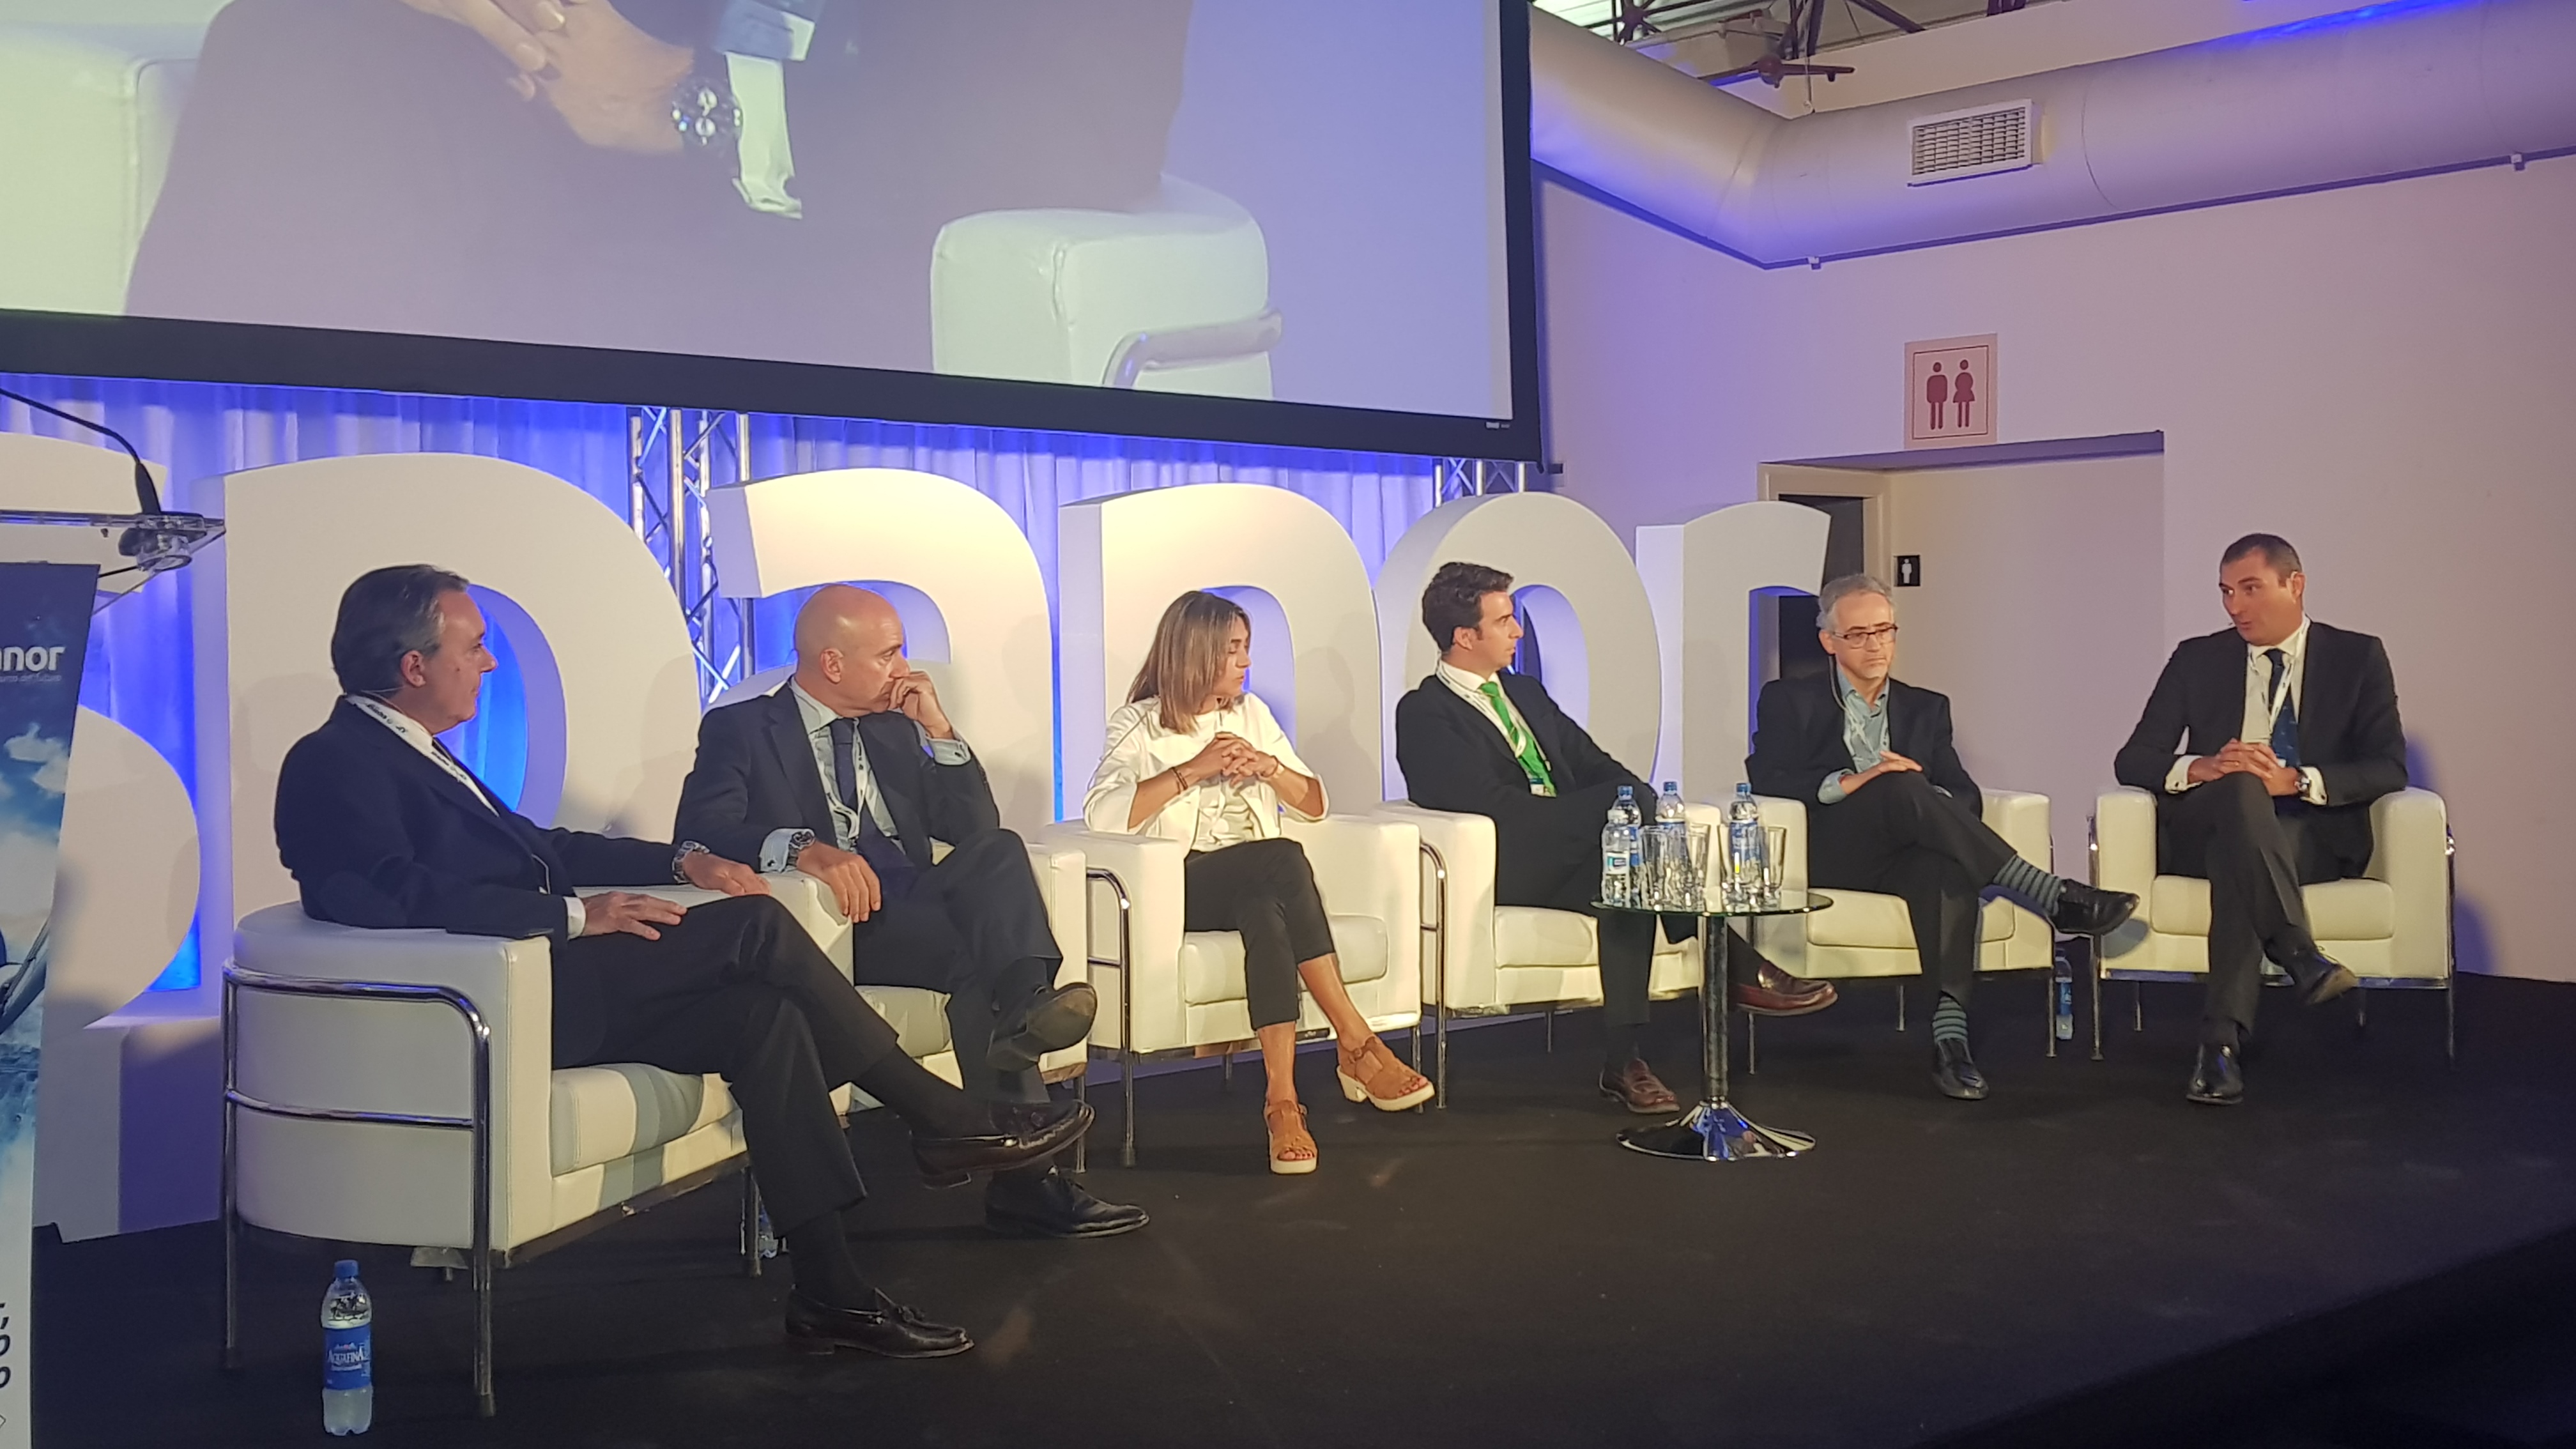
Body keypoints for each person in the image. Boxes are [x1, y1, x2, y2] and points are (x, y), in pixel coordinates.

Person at [273, 565, 1092, 1360]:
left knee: (764, 1021)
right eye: (474, 646)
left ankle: (831, 1294)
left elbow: (548, 847)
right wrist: (573, 915)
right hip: (510, 1000)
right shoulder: (332, 759)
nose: (489, 662)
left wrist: (680, 861)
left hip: (556, 982)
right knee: (756, 926)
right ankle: (939, 1116)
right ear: (414, 666)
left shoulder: (420, 752)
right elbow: (373, 893)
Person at [129, 0, 1193, 371]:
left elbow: (1080, 119)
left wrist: (694, 105)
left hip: (834, 222)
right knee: (297, 49)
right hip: (547, 127)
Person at [675, 585, 1146, 1238]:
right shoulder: (743, 728)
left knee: (1000, 852)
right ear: (832, 663)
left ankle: (1025, 1007)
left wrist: (941, 733)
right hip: (841, 923)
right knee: (980, 962)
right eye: (889, 654)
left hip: (919, 901)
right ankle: (1029, 1178)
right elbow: (702, 831)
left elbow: (975, 829)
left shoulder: (895, 727)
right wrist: (803, 849)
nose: (904, 669)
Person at [1393, 562, 1839, 1117]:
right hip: (1505, 858)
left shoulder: (1523, 692)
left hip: (1572, 850)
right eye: (1504, 621)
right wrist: (1606, 809)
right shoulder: (1425, 712)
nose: (1519, 631)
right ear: (1465, 636)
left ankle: (1623, 1062)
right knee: (1623, 824)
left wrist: (1636, 798)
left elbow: (1590, 760)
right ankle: (1738, 967)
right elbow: (1487, 804)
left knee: (1627, 879)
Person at [1082, 591, 1434, 1174]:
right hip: (1182, 881)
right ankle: (1356, 1041)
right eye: (1234, 650)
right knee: (1282, 859)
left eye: (1247, 648)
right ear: (1198, 653)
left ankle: (1282, 1102)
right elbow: (1102, 813)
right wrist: (1192, 770)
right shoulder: (1140, 723)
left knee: (1267, 910)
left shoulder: (1252, 714)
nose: (1246, 662)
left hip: (1253, 877)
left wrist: (1269, 768)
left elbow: (1315, 803)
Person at [1749, 574, 2138, 1100]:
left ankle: (1950, 1041)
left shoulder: (1926, 707)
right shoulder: (1789, 699)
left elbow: (1964, 794)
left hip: (1905, 851)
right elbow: (1768, 778)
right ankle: (2050, 893)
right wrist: (1856, 781)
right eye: (1859, 635)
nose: (1875, 645)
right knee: (1896, 784)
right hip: (1832, 849)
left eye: (1884, 631)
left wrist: (1923, 797)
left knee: (1945, 864)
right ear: (1829, 642)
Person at [2113, 534, 2404, 1105]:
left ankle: (2219, 1045)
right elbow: (2134, 759)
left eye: (2250, 589)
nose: (2235, 607)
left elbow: (2388, 766)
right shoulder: (2197, 658)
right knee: (2240, 786)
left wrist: (2296, 780)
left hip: (2309, 834)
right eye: (2226, 592)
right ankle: (2297, 952)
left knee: (2238, 862)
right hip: (2208, 821)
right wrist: (2204, 767)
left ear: (2295, 585)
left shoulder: (2357, 657)